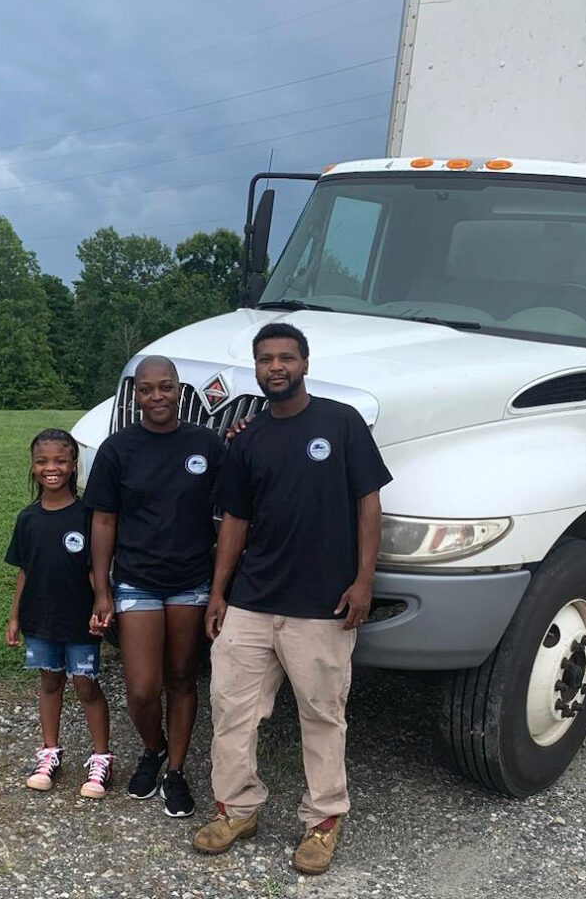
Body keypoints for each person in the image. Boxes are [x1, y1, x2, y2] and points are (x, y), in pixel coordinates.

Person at [193, 323, 392, 875]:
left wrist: (363, 581)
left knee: (323, 715)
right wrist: (219, 591)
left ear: (304, 363)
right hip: (253, 600)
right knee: (231, 709)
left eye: (286, 357)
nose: (275, 367)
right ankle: (237, 809)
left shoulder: (341, 423)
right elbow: (236, 518)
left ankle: (323, 820)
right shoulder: (249, 439)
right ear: (256, 369)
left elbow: (368, 503)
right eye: (265, 359)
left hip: (322, 604)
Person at [85, 355, 224, 818]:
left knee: (182, 678)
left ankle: (177, 771)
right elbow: (103, 520)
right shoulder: (118, 449)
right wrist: (102, 588)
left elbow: (235, 506)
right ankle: (154, 747)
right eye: (148, 389)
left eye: (166, 387)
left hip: (190, 580)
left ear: (180, 390)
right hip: (136, 579)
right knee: (143, 687)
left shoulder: (207, 443)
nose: (158, 396)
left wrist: (244, 432)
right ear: (137, 395)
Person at [5, 428, 113, 799]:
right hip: (40, 619)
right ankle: (49, 753)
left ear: (73, 464)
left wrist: (102, 604)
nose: (51, 468)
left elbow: (95, 570)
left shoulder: (87, 515)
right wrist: (16, 616)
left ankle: (101, 759)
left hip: (79, 620)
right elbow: (24, 570)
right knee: (50, 682)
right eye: (42, 461)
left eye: (60, 461)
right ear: (33, 466)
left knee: (86, 686)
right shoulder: (28, 518)